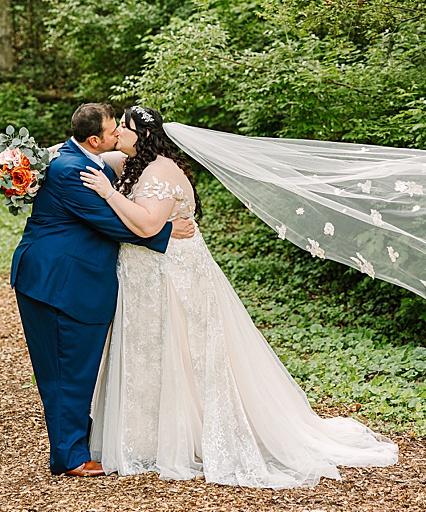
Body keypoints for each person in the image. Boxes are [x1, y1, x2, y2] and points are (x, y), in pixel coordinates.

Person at [79, 106, 398, 489]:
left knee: (183, 353)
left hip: (173, 278)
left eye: (123, 129)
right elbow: (83, 150)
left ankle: (187, 437)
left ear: (144, 135)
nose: (116, 136)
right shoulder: (132, 162)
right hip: (147, 279)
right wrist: (26, 162)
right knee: (153, 353)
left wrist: (107, 193)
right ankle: (148, 436)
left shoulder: (161, 170)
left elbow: (148, 224)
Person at [10, 103, 194, 478]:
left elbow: (121, 154)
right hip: (59, 282)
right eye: (113, 130)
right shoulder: (72, 169)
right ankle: (71, 457)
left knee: (73, 368)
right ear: (94, 139)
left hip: (62, 276)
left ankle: (75, 442)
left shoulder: (76, 155)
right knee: (67, 370)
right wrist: (167, 231)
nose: (117, 135)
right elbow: (111, 223)